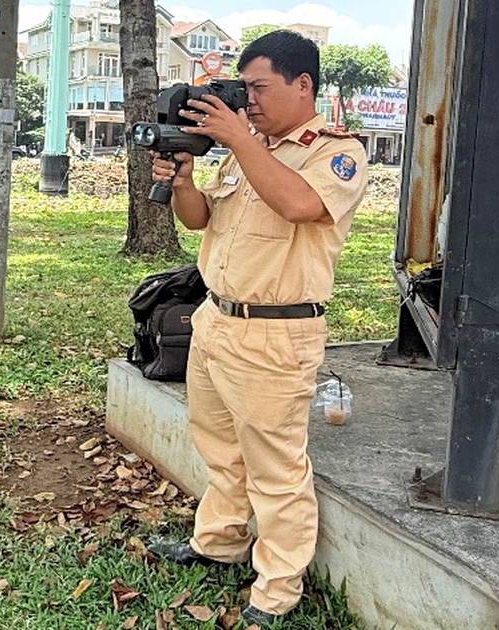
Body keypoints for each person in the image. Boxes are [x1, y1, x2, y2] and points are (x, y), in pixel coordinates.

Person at [145, 30, 368, 628]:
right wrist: (186, 182)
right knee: (220, 448)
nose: (248, 101)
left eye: (258, 88)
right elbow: (199, 223)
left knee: (276, 468)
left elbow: (299, 206)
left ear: (303, 85)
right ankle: (217, 543)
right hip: (215, 319)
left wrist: (240, 140)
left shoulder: (334, 151)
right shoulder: (250, 149)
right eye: (243, 89)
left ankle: (275, 590)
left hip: (276, 333)